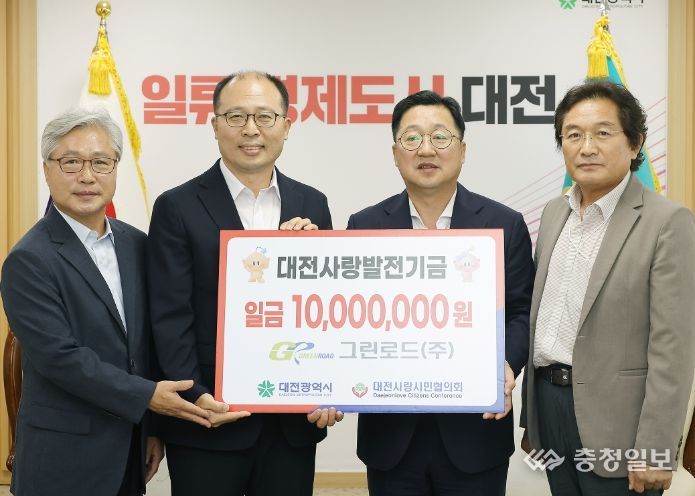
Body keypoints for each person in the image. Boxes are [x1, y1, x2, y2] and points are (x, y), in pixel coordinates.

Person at [0, 108, 213, 496]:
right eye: (71, 162)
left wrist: (152, 428)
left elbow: (146, 345)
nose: (87, 176)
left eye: (101, 162)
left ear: (115, 168)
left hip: (130, 448)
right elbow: (60, 358)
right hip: (63, 458)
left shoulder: (138, 244)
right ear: (47, 169)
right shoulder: (28, 259)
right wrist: (148, 398)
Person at [147, 71, 341, 496]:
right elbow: (169, 316)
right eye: (236, 116)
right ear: (215, 125)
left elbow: (325, 310)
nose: (251, 129)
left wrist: (329, 387)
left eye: (265, 117)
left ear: (287, 126)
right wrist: (195, 395)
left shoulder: (312, 203)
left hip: (291, 424)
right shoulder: (177, 206)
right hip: (208, 419)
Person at [347, 90, 534, 496]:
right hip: (391, 436)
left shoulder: (504, 224)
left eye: (440, 137)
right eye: (411, 138)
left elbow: (521, 311)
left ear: (462, 150)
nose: (426, 149)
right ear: (395, 153)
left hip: (475, 433)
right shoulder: (365, 226)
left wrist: (504, 364)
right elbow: (349, 317)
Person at [520, 79, 695, 495]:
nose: (587, 147)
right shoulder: (554, 213)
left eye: (602, 133)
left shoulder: (666, 222)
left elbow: (673, 348)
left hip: (621, 424)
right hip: (550, 407)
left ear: (635, 144)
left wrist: (656, 448)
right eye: (573, 135)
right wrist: (534, 421)